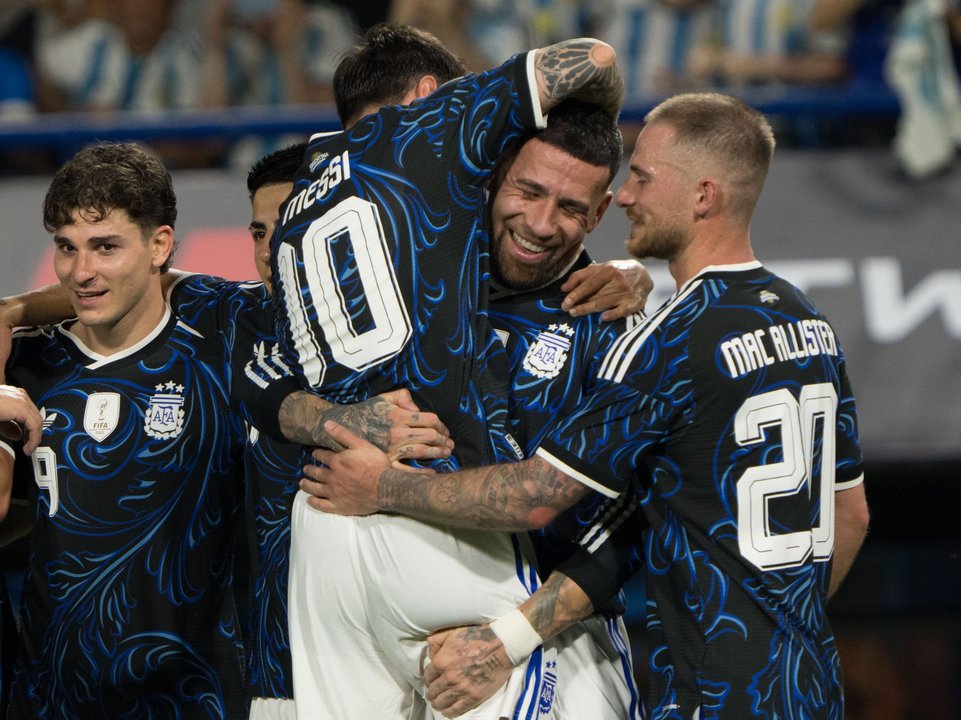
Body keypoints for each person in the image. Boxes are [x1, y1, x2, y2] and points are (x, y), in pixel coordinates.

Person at [304, 92, 872, 719]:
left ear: (703, 196)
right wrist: (781, 633)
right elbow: (850, 516)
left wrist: (383, 487)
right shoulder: (810, 320)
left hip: (703, 689)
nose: (629, 196)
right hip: (807, 681)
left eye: (643, 178)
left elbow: (535, 496)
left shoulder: (659, 339)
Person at [253, 21, 626, 720]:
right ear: (433, 96)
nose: (542, 223)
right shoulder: (432, 138)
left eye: (571, 206)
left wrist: (333, 422)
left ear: (600, 211)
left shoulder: (301, 203)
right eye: (525, 188)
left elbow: (257, 372)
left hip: (329, 519)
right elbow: (595, 57)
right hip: (448, 540)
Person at [1, 142, 252, 718]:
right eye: (67, 248)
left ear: (159, 245)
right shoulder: (28, 369)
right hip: (52, 697)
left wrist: (14, 305)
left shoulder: (224, 340)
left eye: (105, 247)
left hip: (197, 695)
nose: (81, 272)